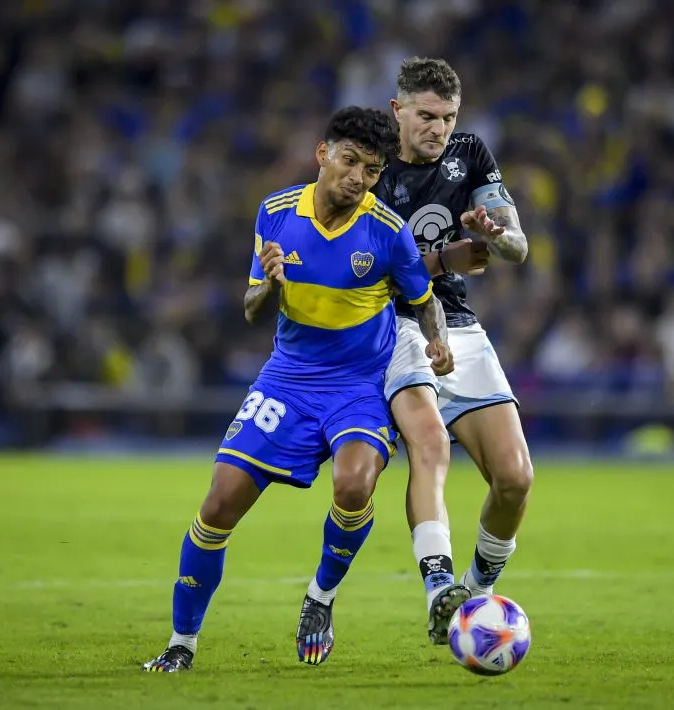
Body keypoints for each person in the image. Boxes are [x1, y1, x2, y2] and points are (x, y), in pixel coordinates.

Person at [141, 106, 453, 672]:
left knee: (355, 485)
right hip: (288, 378)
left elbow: (423, 297)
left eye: (372, 170)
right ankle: (181, 644)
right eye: (350, 161)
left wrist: (439, 342)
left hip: (358, 385)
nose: (358, 177)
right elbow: (251, 306)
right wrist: (271, 282)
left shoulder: (388, 230)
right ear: (323, 154)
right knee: (217, 505)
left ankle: (320, 597)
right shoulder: (277, 213)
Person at [371, 57, 534, 645]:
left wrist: (494, 233)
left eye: (448, 117)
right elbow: (359, 273)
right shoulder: (370, 164)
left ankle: (477, 594)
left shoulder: (472, 153)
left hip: (458, 324)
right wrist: (442, 260)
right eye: (426, 116)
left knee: (515, 479)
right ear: (399, 111)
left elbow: (518, 248)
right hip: (389, 326)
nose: (438, 128)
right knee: (430, 449)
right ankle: (440, 588)